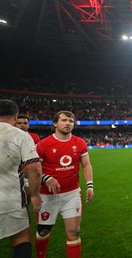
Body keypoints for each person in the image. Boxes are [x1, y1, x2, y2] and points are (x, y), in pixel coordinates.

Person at [34, 111, 94, 258]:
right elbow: (32, 170)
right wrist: (46, 177)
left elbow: (86, 165)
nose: (68, 123)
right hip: (47, 196)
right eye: (64, 120)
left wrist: (90, 185)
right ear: (55, 123)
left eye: (71, 121)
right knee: (43, 232)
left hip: (71, 194)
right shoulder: (43, 145)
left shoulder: (79, 143)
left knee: (74, 232)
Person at [0, 99, 42, 258]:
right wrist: (35, 194)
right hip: (12, 201)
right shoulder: (21, 135)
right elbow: (34, 169)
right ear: (16, 116)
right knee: (21, 240)